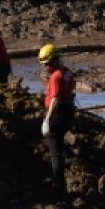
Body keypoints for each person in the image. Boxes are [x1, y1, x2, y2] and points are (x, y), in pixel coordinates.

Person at [38, 43, 76, 193]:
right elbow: (73, 84)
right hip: (68, 110)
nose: (45, 68)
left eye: (46, 64)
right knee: (59, 143)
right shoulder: (66, 72)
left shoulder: (56, 77)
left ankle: (59, 184)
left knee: (55, 150)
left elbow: (55, 100)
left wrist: (47, 120)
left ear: (53, 61)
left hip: (58, 114)